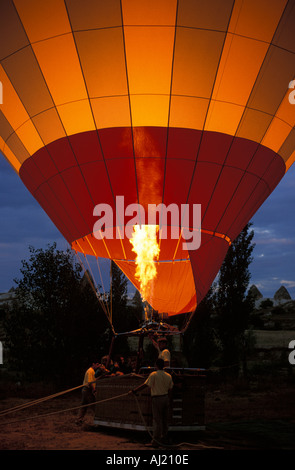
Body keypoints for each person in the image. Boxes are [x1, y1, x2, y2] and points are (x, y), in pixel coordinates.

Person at [130, 358, 173, 447]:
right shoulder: (168, 376)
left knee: (157, 421)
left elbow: (146, 384)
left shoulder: (153, 374)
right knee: (165, 420)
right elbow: (170, 389)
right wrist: (169, 399)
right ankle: (164, 438)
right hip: (165, 398)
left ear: (156, 365)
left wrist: (134, 391)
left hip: (157, 398)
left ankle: (155, 441)